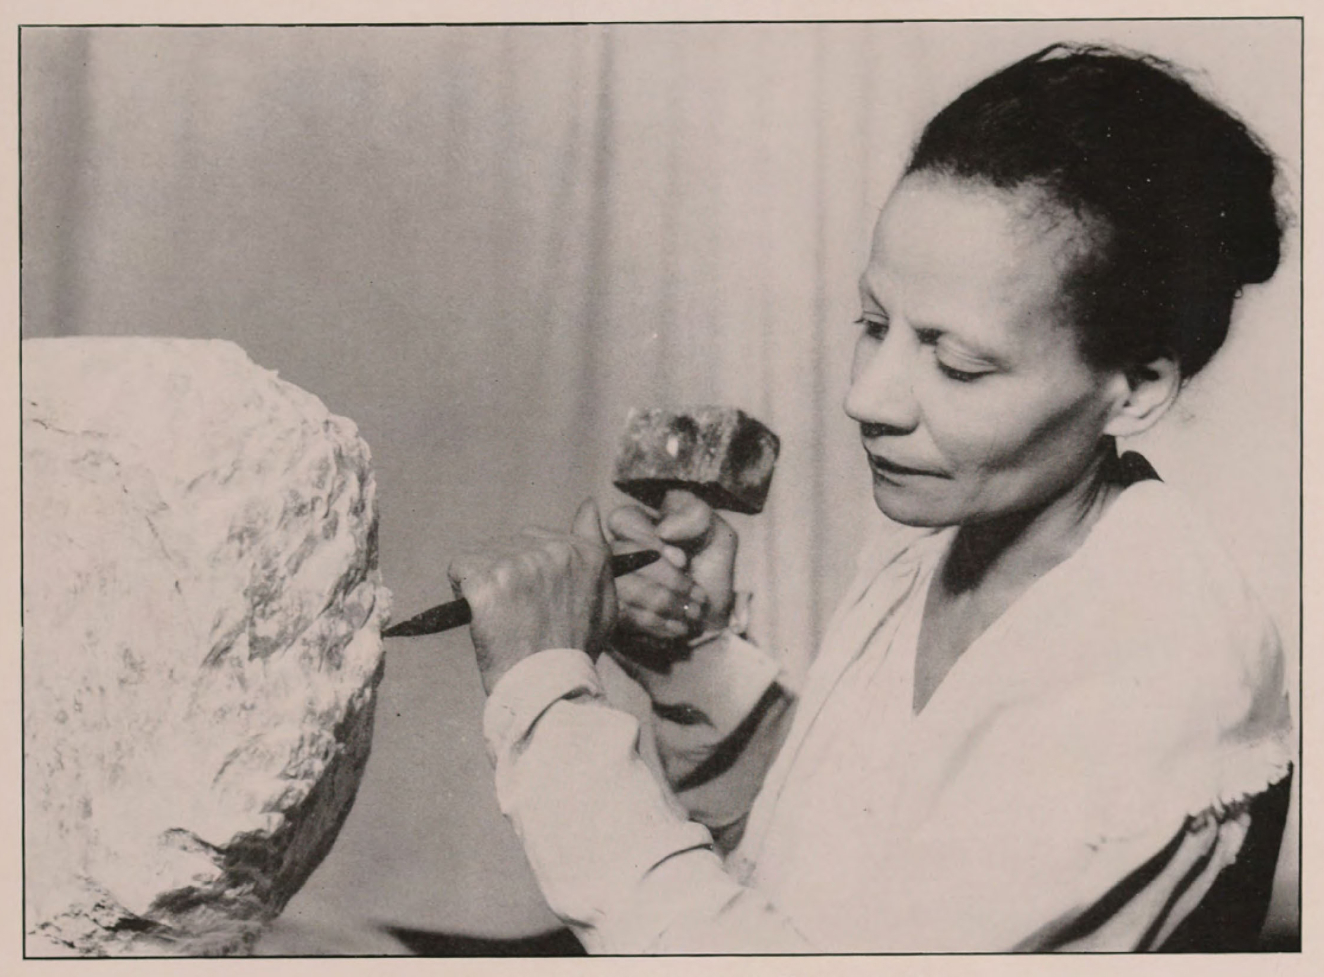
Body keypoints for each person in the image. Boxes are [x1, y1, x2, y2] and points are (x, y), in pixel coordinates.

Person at [447, 43, 1294, 952]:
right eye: (874, 324)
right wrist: (689, 655)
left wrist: (549, 708)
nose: (868, 399)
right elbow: (835, 866)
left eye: (955, 362)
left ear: (1136, 387)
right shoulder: (948, 528)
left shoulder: (1158, 670)